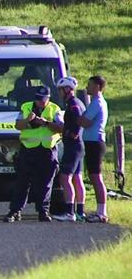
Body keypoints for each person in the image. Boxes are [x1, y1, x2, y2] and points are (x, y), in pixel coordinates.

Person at [3, 86, 63, 223]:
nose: (40, 102)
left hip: (47, 150)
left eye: (43, 100)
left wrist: (45, 123)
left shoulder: (55, 109)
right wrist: (28, 120)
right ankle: (15, 211)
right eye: (38, 99)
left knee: (46, 183)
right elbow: (18, 125)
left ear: (48, 98)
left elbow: (61, 128)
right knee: (22, 182)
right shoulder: (26, 107)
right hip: (28, 149)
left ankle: (43, 211)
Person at [52, 77, 87, 222]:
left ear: (66, 89)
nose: (59, 93)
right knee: (77, 178)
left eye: (60, 90)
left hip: (73, 145)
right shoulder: (77, 102)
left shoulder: (73, 104)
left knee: (65, 178)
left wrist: (69, 132)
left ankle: (69, 212)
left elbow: (78, 121)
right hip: (79, 145)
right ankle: (80, 212)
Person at [78, 75, 109, 223]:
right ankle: (99, 211)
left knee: (96, 177)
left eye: (89, 85)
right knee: (93, 176)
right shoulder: (95, 102)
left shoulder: (97, 103)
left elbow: (85, 122)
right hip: (92, 142)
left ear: (97, 86)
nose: (87, 87)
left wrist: (78, 117)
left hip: (95, 143)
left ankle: (102, 212)